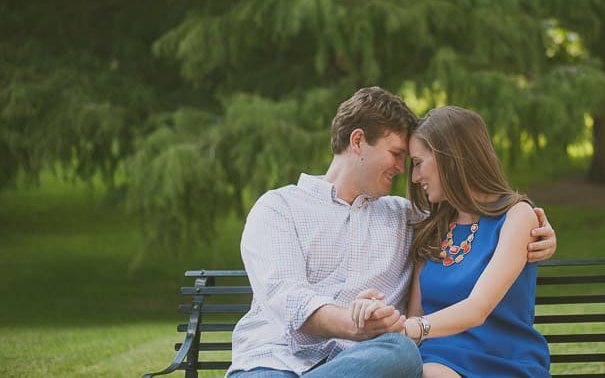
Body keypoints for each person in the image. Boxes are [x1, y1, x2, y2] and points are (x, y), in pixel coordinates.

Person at [227, 88, 557, 378]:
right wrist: (355, 323)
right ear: (358, 141)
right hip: (275, 363)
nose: (405, 172)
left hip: (365, 365)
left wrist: (538, 231)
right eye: (397, 155)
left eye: (412, 160)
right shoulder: (279, 208)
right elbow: (287, 298)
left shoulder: (410, 218)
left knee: (400, 353)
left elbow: (478, 216)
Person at [354, 106, 551, 377]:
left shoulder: (517, 216)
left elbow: (477, 309)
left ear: (450, 157)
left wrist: (408, 329)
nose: (413, 177)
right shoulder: (432, 228)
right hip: (434, 359)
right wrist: (382, 317)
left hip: (501, 361)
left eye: (419, 163)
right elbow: (416, 312)